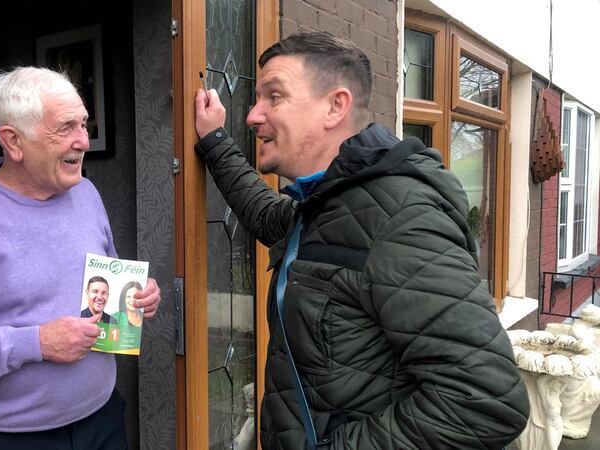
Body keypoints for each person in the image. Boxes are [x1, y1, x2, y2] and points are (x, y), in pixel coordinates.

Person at [194, 32, 528, 449]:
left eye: (274, 97)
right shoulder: (325, 204)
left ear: (336, 106)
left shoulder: (400, 218)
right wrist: (215, 140)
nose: (252, 115)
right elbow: (264, 214)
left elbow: (484, 401)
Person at [0, 66, 161, 450]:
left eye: (83, 123)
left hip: (103, 418)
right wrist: (37, 343)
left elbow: (107, 277)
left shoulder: (86, 193)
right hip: (12, 438)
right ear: (13, 141)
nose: (84, 140)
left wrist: (135, 295)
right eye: (65, 127)